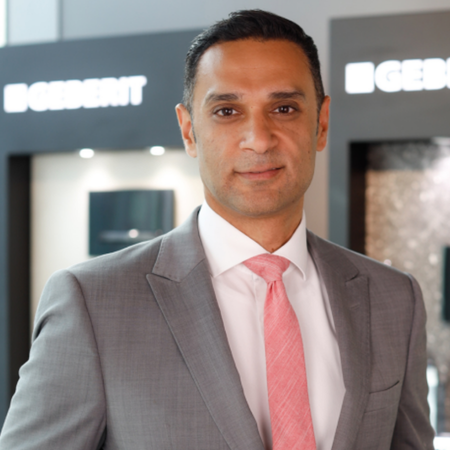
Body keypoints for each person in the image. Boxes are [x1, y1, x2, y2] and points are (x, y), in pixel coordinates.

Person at [0, 9, 434, 450]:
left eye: (284, 108)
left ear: (320, 123)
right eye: (227, 111)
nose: (259, 138)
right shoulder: (92, 302)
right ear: (189, 131)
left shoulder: (393, 299)